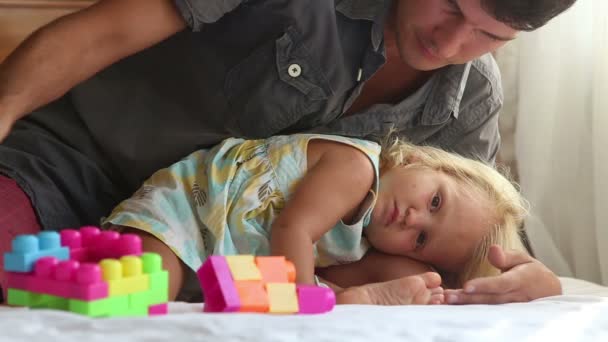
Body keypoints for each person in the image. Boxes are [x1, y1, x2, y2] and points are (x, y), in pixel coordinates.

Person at [0, 0, 574, 304]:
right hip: (74, 166)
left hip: (208, 260)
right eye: (451, 3)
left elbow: (465, 247)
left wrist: (524, 278)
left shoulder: (469, 101)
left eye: (489, 36)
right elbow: (96, 35)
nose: (451, 44)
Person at [102, 133, 528, 304]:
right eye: (435, 202)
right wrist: (304, 307)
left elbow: (443, 282)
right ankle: (71, 276)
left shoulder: (368, 236)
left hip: (231, 261)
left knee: (419, 282)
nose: (412, 219)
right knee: (148, 286)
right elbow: (295, 230)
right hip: (189, 210)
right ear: (420, 160)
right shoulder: (358, 170)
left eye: (421, 239)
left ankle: (353, 299)